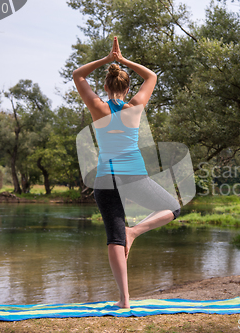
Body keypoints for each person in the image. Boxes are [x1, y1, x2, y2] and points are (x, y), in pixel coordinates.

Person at [73, 36, 181, 309]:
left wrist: (107, 60)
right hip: (133, 175)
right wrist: (122, 60)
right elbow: (152, 76)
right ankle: (135, 232)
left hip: (105, 177)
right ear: (126, 86)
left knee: (114, 237)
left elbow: (77, 75)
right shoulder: (135, 108)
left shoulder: (97, 107)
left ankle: (124, 299)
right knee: (172, 208)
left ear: (106, 86)